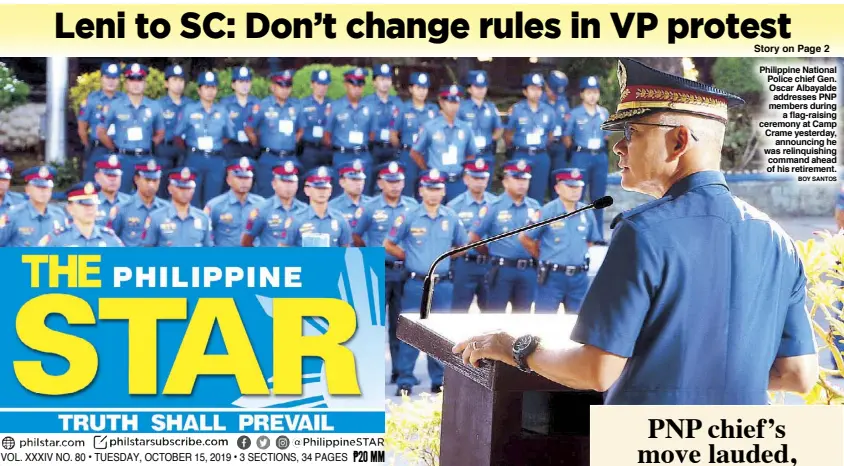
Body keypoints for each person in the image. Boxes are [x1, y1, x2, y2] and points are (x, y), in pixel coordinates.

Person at [454, 58, 818, 405]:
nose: (619, 147)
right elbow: (798, 375)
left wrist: (514, 347)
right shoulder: (779, 242)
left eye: (633, 132)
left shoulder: (644, 232)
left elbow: (594, 371)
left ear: (679, 141)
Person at [385, 168, 468, 396]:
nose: (433, 193)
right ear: (421, 190)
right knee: (412, 330)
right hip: (416, 283)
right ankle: (405, 378)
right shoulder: (409, 215)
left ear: (444, 191)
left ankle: (438, 378)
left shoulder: (450, 217)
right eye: (429, 188)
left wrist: (444, 257)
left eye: (438, 189)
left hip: (442, 284)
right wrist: (409, 258)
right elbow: (389, 244)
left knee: (439, 332)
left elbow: (463, 245)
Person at [353, 161, 419, 384]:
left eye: (398, 181)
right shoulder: (370, 207)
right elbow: (356, 236)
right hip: (377, 271)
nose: (394, 186)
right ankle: (369, 373)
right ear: (381, 183)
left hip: (403, 272)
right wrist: (372, 254)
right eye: (389, 182)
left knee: (400, 324)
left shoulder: (412, 207)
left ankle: (400, 372)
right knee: (372, 323)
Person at [519, 168, 600, 314]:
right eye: (570, 186)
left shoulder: (586, 211)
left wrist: (574, 254)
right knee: (545, 320)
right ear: (557, 188)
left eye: (578, 187)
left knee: (578, 323)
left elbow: (590, 240)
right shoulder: (548, 211)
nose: (575, 191)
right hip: (552, 276)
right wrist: (543, 256)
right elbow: (525, 237)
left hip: (578, 277)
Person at [468, 159, 541, 313]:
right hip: (501, 270)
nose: (521, 183)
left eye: (525, 179)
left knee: (523, 319)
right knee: (495, 318)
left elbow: (541, 237)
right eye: (517, 179)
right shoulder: (494, 207)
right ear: (506, 182)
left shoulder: (535, 207)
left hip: (528, 270)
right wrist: (489, 253)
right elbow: (474, 236)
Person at [96, 63, 165, 194]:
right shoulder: (114, 105)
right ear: (126, 83)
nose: (136, 84)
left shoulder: (154, 106)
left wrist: (149, 145)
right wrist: (114, 147)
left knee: (147, 195)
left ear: (145, 83)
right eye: (132, 80)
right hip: (123, 158)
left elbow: (160, 132)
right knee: (121, 196)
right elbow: (101, 131)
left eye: (140, 80)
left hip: (145, 158)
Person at [174, 71, 236, 208]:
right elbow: (178, 135)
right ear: (199, 90)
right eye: (206, 87)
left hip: (215, 159)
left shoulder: (222, 111)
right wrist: (190, 148)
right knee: (192, 197)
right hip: (194, 157)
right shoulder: (189, 110)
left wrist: (216, 145)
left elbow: (229, 135)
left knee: (213, 200)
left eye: (213, 87)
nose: (210, 91)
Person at [410, 85, 479, 203]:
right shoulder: (430, 127)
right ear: (441, 102)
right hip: (436, 181)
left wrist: (463, 170)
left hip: (457, 181)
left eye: (456, 102)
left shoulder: (465, 128)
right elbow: (415, 152)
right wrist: (427, 169)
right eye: (450, 102)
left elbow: (471, 153)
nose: (453, 106)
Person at [563, 76, 611, 244]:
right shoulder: (574, 114)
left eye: (595, 92)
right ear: (582, 94)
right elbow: (567, 137)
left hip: (599, 157)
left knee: (598, 196)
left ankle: (597, 235)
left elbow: (606, 136)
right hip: (580, 156)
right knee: (577, 195)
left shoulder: (603, 113)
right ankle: (576, 233)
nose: (592, 96)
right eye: (589, 92)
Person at [448, 157, 497, 312]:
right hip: (464, 264)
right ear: (466, 179)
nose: (479, 182)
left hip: (490, 264)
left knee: (492, 316)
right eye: (475, 177)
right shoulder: (454, 206)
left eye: (483, 177)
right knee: (457, 313)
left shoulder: (496, 204)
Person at [245, 70, 301, 198]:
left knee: (289, 195)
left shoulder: (296, 106)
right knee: (266, 194)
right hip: (269, 157)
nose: (285, 89)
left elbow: (301, 129)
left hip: (289, 158)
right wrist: (258, 144)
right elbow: (249, 128)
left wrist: (291, 142)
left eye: (288, 86)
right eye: (281, 86)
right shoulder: (262, 105)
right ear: (273, 87)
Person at [324, 68, 377, 196]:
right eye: (353, 84)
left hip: (363, 155)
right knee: (340, 195)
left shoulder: (370, 107)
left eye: (360, 85)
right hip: (342, 156)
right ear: (346, 85)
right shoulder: (335, 106)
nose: (357, 88)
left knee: (363, 194)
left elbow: (372, 134)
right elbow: (327, 135)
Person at [504, 73, 557, 204]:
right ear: (525, 91)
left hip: (541, 156)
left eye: (539, 89)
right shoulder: (517, 110)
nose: (536, 92)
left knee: (537, 195)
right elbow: (508, 134)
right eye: (532, 89)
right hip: (521, 154)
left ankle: (535, 223)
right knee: (517, 193)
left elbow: (551, 135)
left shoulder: (548, 111)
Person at [391, 71, 439, 198]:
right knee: (406, 191)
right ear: (411, 89)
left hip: (427, 155)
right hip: (408, 155)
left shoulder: (433, 110)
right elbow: (393, 134)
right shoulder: (402, 109)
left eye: (424, 88)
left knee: (426, 190)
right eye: (418, 88)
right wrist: (401, 149)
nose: (422, 92)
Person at [241, 160, 308, 247]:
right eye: (284, 182)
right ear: (274, 184)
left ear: (297, 185)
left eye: (291, 182)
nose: (288, 186)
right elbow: (246, 241)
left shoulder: (305, 209)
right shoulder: (261, 209)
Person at [141, 167, 213, 247]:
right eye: (181, 188)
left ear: (194, 190)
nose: (185, 192)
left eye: (188, 188)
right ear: (170, 189)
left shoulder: (203, 218)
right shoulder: (156, 217)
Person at [37, 182, 124, 247]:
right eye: (83, 204)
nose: (89, 208)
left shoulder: (111, 239)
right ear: (70, 209)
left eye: (92, 204)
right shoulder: (55, 240)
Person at [78, 61, 125, 182]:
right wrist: (89, 145)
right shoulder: (92, 100)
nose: (111, 81)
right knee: (91, 185)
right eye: (108, 77)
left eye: (114, 78)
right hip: (98, 148)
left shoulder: (125, 100)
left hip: (121, 148)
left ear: (119, 80)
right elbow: (82, 128)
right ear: (102, 79)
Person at [0, 166, 68, 247]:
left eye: (46, 187)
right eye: (38, 187)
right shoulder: (12, 216)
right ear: (27, 190)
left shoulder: (59, 215)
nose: (43, 191)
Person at [204, 157, 265, 247]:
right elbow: (204, 235)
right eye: (239, 177)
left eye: (247, 178)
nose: (244, 182)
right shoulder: (215, 205)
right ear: (228, 180)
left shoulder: (262, 204)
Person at [108, 158, 168, 247]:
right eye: (147, 180)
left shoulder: (166, 209)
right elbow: (110, 239)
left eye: (155, 180)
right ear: (136, 179)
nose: (151, 185)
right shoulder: (122, 208)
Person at [287, 167, 352, 247]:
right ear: (307, 190)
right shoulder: (296, 219)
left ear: (330, 191)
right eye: (317, 188)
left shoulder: (340, 219)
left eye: (325, 188)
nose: (322, 192)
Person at [458, 70, 503, 180]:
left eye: (483, 87)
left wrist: (490, 139)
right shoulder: (461, 108)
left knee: (485, 186)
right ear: (469, 89)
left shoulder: (491, 108)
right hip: (467, 154)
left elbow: (499, 129)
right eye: (477, 87)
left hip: (486, 153)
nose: (480, 90)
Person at [156, 64, 193, 198]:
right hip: (165, 150)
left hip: (185, 150)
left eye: (181, 80)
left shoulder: (191, 105)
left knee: (183, 188)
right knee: (163, 189)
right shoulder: (159, 105)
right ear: (166, 83)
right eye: (174, 80)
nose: (178, 84)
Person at [296, 69, 334, 195]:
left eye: (324, 84)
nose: (322, 88)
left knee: (326, 182)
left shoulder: (332, 104)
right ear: (312, 84)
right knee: (307, 182)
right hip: (309, 149)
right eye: (318, 84)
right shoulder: (303, 104)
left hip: (327, 150)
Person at [363, 64, 402, 169]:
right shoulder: (366, 102)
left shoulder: (397, 102)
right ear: (374, 82)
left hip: (392, 149)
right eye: (382, 79)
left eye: (388, 79)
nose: (385, 83)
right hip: (373, 148)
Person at [221, 66, 261, 164]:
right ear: (233, 85)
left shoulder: (257, 103)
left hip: (251, 146)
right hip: (231, 146)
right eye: (241, 82)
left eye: (247, 82)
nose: (245, 85)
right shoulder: (225, 104)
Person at [543, 70, 573, 175]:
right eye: (553, 91)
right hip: (543, 145)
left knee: (558, 177)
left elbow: (567, 120)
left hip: (559, 145)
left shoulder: (563, 101)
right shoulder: (539, 101)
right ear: (547, 87)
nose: (556, 95)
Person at [328, 159, 371, 230]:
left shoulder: (372, 204)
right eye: (354, 179)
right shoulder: (332, 207)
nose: (358, 183)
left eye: (360, 179)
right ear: (342, 182)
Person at [91, 154, 131, 227]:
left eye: (115, 175)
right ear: (97, 177)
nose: (112, 179)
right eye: (108, 175)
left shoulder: (130, 202)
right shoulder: (89, 202)